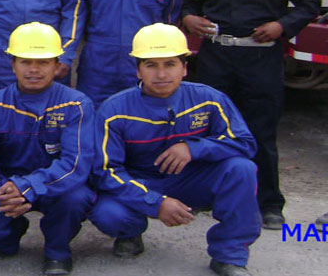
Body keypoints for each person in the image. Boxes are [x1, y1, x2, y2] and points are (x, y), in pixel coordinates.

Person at [181, 0, 321, 230]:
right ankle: (208, 194)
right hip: (217, 58)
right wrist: (188, 19)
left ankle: (269, 204)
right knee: (211, 127)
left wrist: (282, 26)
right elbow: (188, 4)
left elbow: (309, 4)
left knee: (261, 131)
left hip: (262, 60)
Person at [89, 23, 260, 276]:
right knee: (107, 213)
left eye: (170, 64)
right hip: (142, 183)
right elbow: (105, 171)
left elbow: (244, 142)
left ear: (184, 68)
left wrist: (194, 148)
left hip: (191, 180)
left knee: (242, 169)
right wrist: (155, 202)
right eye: (151, 65)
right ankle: (130, 233)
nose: (161, 74)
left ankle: (230, 255)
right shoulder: (114, 110)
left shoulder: (209, 99)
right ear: (138, 70)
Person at [0, 22, 94, 276]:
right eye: (25, 62)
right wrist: (1, 197)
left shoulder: (76, 104)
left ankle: (57, 250)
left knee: (76, 198)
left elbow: (75, 165)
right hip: (7, 190)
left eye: (43, 62)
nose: (34, 70)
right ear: (12, 64)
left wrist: (29, 187)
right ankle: (8, 237)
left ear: (57, 65)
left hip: (54, 187)